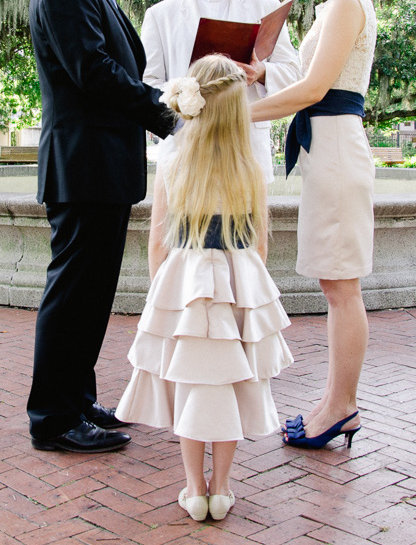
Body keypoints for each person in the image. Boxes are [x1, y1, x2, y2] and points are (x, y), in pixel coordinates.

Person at [27, 0, 176, 454]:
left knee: (91, 294)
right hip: (83, 163)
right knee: (71, 293)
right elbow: (91, 69)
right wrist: (163, 112)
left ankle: (77, 398)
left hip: (101, 165)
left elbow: (110, 66)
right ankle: (53, 419)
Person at [116, 54, 293, 520]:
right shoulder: (251, 166)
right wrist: (252, 294)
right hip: (238, 282)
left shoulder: (173, 161)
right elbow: (258, 243)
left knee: (194, 385)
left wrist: (161, 291)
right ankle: (223, 486)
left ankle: (194, 488)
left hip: (187, 281)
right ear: (238, 111)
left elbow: (158, 238)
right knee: (230, 384)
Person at [251, 0, 376, 449]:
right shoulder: (333, 9)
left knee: (343, 287)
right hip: (325, 154)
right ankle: (334, 402)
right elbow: (304, 79)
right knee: (335, 284)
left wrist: (234, 112)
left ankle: (341, 407)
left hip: (338, 153)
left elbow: (311, 91)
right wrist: (258, 76)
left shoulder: (348, 4)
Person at [141, 0, 301, 182]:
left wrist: (261, 72)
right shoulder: (161, 16)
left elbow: (295, 75)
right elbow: (147, 85)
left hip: (245, 149)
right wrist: (185, 96)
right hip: (186, 149)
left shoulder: (265, 8)